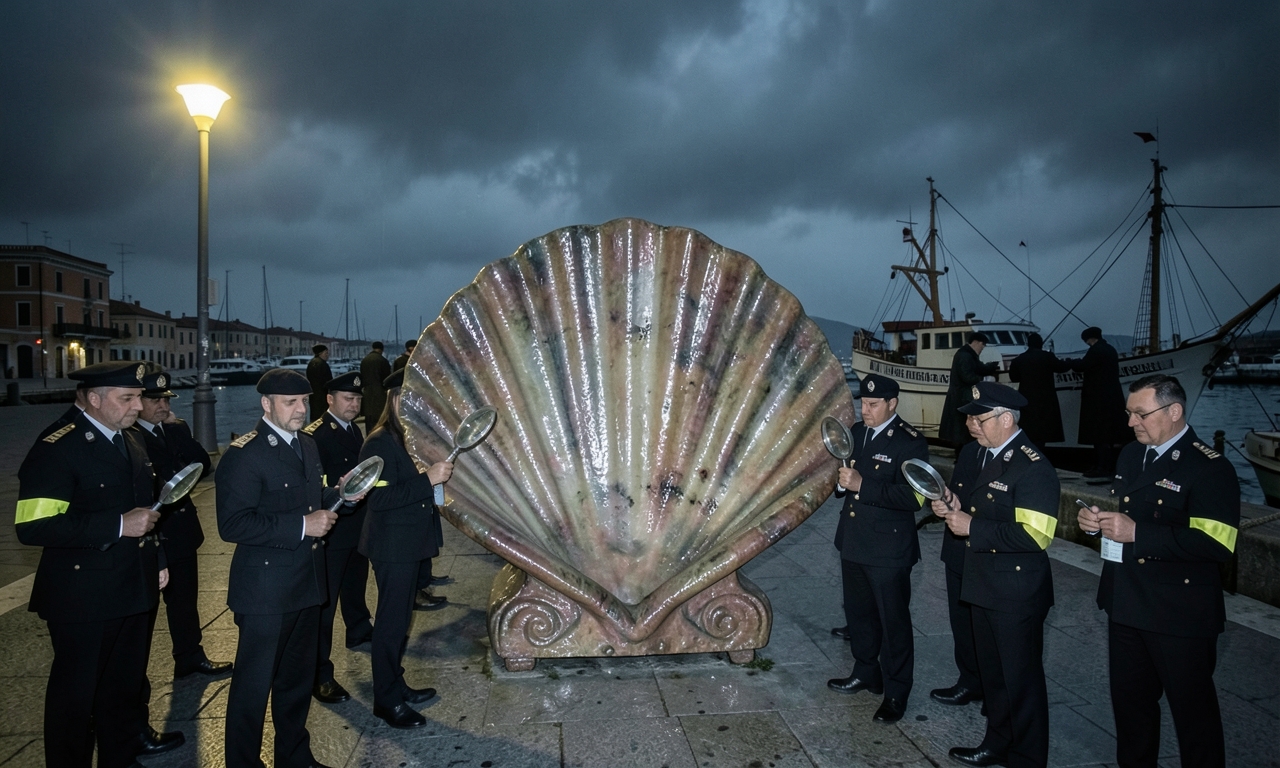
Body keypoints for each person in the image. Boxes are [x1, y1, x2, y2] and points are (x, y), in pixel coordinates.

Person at [15, 360, 185, 767]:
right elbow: (34, 525)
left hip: (133, 581)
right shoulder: (59, 446)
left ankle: (121, 754)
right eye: (127, 398)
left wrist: (157, 557)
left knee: (122, 686)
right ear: (93, 399)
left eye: (139, 397)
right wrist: (116, 525)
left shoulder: (129, 440)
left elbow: (146, 509)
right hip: (83, 595)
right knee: (76, 695)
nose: (137, 406)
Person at [1078, 374, 1239, 768]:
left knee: (1194, 719)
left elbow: (1218, 543)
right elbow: (1127, 516)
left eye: (1140, 413)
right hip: (1126, 603)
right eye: (1129, 413)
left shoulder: (1210, 467)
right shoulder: (1132, 455)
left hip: (1178, 613)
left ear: (1174, 411)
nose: (1132, 422)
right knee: (1132, 712)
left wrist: (1138, 534)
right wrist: (1095, 523)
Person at [216, 368, 363, 768]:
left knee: (296, 683)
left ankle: (294, 756)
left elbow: (312, 499)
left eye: (304, 402)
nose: (300, 410)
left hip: (306, 582)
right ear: (266, 405)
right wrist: (302, 525)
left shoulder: (307, 445)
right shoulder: (244, 454)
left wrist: (343, 493)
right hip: (265, 590)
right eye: (290, 403)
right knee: (252, 687)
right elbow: (232, 524)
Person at [932, 381, 1059, 768]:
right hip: (984, 583)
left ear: (1006, 419)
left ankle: (1028, 756)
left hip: (1014, 591)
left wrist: (973, 527)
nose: (972, 423)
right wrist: (954, 505)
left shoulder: (1032, 466)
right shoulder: (985, 455)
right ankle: (998, 742)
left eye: (979, 417)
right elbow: (982, 508)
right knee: (996, 676)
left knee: (1021, 682)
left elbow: (1037, 535)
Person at [826, 374, 928, 724]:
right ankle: (866, 670)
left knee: (893, 622)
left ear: (892, 404)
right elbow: (842, 478)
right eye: (862, 404)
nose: (864, 410)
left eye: (872, 405)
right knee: (860, 616)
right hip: (853, 540)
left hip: (888, 549)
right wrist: (842, 485)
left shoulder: (910, 442)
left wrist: (862, 484)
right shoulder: (855, 434)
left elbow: (915, 497)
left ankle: (897, 691)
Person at [358, 368, 452, 728]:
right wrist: (428, 480)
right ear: (395, 400)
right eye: (410, 400)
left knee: (400, 622)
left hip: (409, 541)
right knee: (390, 623)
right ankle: (386, 700)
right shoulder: (379, 441)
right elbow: (378, 499)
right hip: (391, 544)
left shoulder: (408, 439)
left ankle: (396, 685)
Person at [131, 371, 232, 679]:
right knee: (142, 613)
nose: (162, 405)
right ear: (138, 402)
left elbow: (203, 463)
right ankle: (134, 676)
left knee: (185, 601)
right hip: (151, 532)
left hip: (182, 529)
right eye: (154, 399)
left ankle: (189, 656)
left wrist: (177, 433)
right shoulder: (130, 435)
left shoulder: (175, 428)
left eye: (165, 399)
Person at [303, 370, 375, 705]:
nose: (355, 404)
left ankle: (359, 629)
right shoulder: (316, 435)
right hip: (331, 530)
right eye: (348, 398)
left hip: (356, 527)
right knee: (324, 606)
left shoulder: (353, 429)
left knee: (355, 584)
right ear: (329, 399)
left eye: (358, 399)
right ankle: (320, 673)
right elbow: (313, 488)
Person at [1067, 327, 1130, 477]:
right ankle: (1110, 467)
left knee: (1098, 435)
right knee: (1110, 436)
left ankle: (1100, 467)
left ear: (1089, 338)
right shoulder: (1110, 349)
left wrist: (1071, 362)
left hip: (1097, 399)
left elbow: (1082, 366)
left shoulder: (1096, 351)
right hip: (1113, 397)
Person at [1007, 332, 1070, 447]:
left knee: (1030, 431)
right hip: (1046, 398)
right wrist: (1070, 361)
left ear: (1028, 344)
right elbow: (1062, 368)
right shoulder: (1048, 357)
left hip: (1027, 399)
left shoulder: (1019, 360)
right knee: (1043, 432)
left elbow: (1014, 377)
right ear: (1040, 344)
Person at [939, 332, 1001, 446]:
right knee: (962, 430)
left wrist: (990, 367)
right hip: (962, 398)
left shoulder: (967, 354)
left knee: (961, 430)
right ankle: (961, 456)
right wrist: (984, 378)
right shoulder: (965, 356)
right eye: (982, 345)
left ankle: (961, 455)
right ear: (976, 342)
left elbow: (979, 368)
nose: (982, 348)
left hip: (961, 397)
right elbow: (967, 376)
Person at [361, 341, 392, 425]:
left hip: (367, 393)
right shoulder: (382, 360)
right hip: (380, 393)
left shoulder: (365, 360)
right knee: (380, 418)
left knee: (369, 418)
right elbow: (387, 378)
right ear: (382, 349)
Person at [306, 343, 333, 421]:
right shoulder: (322, 364)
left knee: (315, 416)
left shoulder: (311, 363)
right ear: (320, 353)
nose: (327, 355)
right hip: (322, 394)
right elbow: (328, 380)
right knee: (323, 416)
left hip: (314, 394)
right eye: (326, 353)